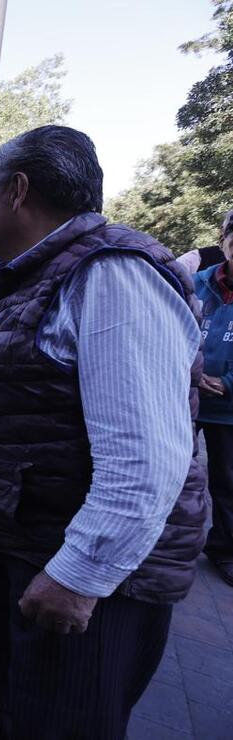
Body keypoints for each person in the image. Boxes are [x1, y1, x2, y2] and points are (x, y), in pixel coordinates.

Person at [0, 126, 206, 739]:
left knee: (56, 724)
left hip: (71, 571)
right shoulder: (23, 277)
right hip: (9, 544)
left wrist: (80, 575)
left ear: (18, 191)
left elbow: (145, 458)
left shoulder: (111, 274)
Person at [193, 208, 233, 587]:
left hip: (229, 410)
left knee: (228, 482)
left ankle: (224, 548)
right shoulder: (196, 283)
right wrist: (189, 369)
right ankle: (156, 541)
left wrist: (229, 383)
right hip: (186, 400)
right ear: (223, 241)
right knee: (172, 471)